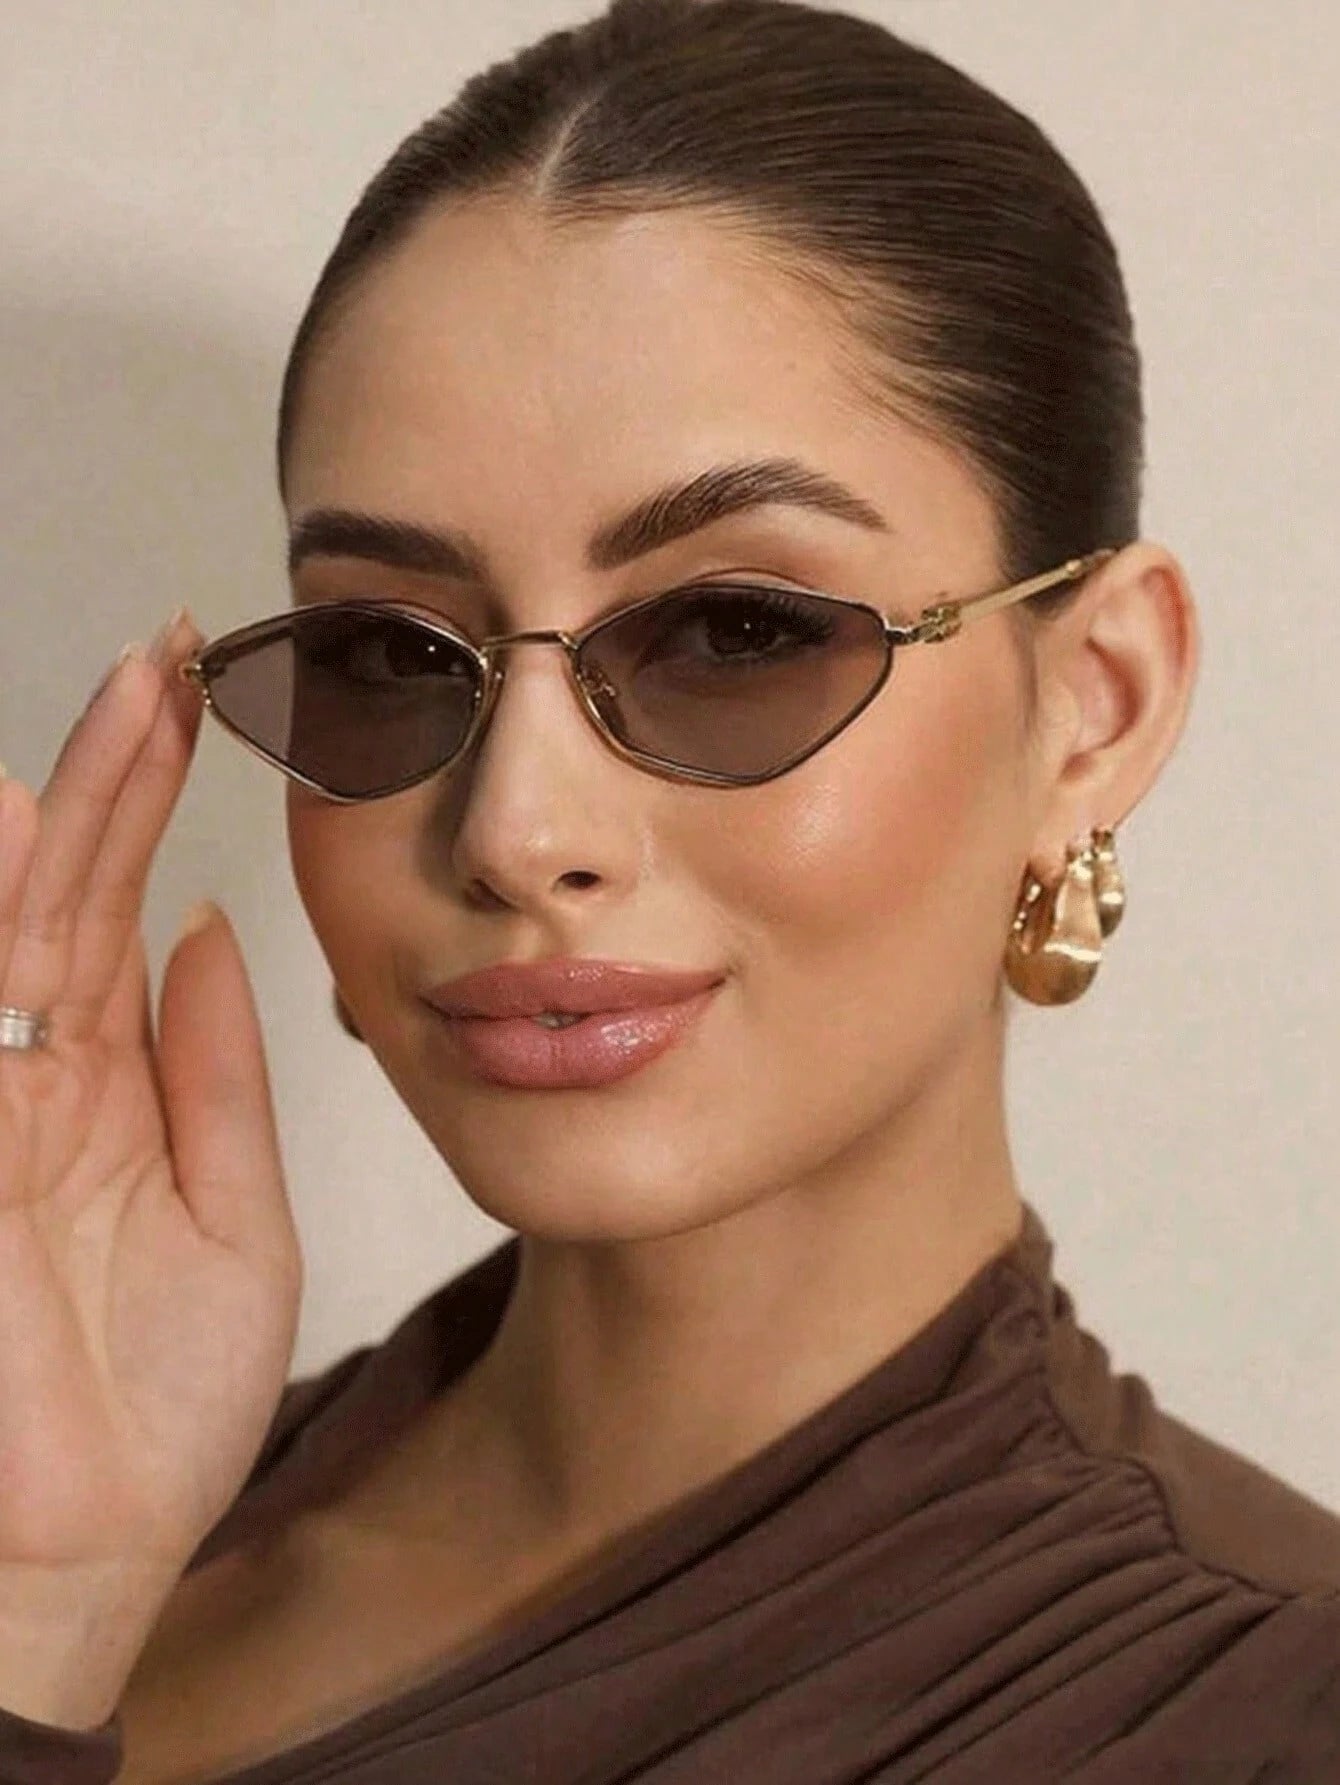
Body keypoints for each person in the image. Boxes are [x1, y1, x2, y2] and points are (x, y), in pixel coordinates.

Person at [1, 0, 1337, 1777]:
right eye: (393, 653)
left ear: (1094, 706)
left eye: (739, 630)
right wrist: (39, 1612)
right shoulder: (111, 1511)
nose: (513, 825)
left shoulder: (1254, 1709)